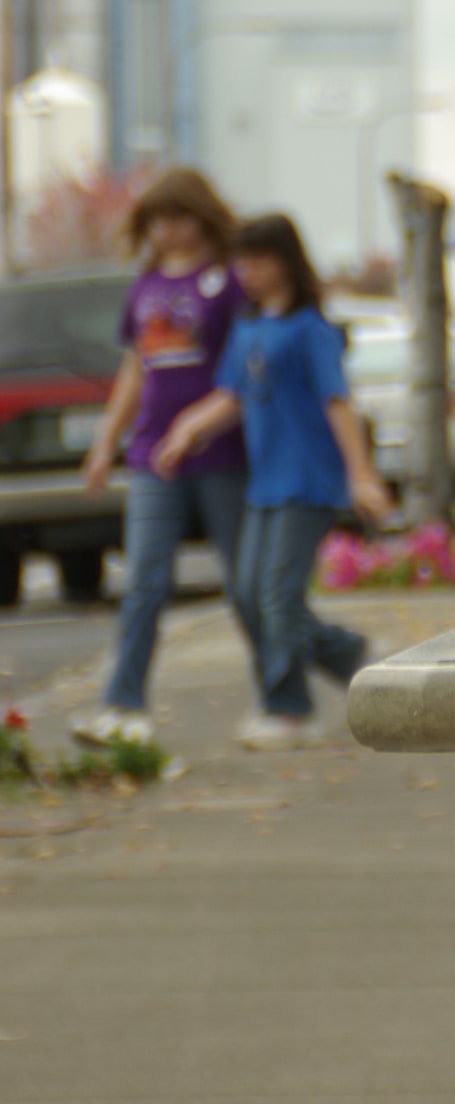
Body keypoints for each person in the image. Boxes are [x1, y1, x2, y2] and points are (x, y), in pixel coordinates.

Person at [152, 214, 393, 751]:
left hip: (308, 483)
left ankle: (289, 709)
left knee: (277, 599)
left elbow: (337, 403)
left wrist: (360, 473)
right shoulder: (249, 328)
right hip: (263, 485)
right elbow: (231, 397)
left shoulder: (312, 330)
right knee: (246, 594)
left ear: (286, 261)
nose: (248, 273)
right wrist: (186, 430)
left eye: (259, 261)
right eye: (242, 262)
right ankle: (348, 654)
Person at [71, 168, 250, 748]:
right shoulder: (146, 284)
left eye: (180, 217)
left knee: (245, 582)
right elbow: (133, 369)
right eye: (158, 220)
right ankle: (123, 705)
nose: (169, 230)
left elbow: (244, 366)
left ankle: (286, 691)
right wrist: (106, 443)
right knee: (144, 580)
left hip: (221, 451)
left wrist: (205, 422)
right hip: (152, 453)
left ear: (203, 216)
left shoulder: (227, 283)